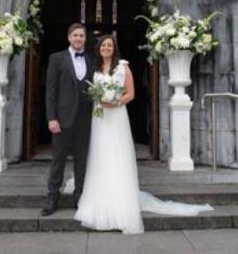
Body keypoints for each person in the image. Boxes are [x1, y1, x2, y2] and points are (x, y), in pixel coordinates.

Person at [74, 35, 213, 234]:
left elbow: (130, 93)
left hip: (116, 116)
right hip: (100, 117)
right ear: (98, 48)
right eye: (103, 45)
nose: (106, 48)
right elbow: (92, 91)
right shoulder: (95, 68)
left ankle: (120, 204)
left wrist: (114, 102)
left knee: (117, 156)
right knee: (100, 156)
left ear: (114, 48)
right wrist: (99, 100)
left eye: (109, 45)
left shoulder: (123, 67)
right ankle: (100, 200)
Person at [41, 23, 93, 216]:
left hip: (84, 119)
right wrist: (51, 118)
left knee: (81, 160)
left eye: (81, 35)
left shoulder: (90, 59)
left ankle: (80, 196)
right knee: (58, 160)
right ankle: (52, 197)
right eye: (75, 35)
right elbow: (51, 91)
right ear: (69, 37)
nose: (78, 39)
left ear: (85, 39)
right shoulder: (57, 59)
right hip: (62, 119)